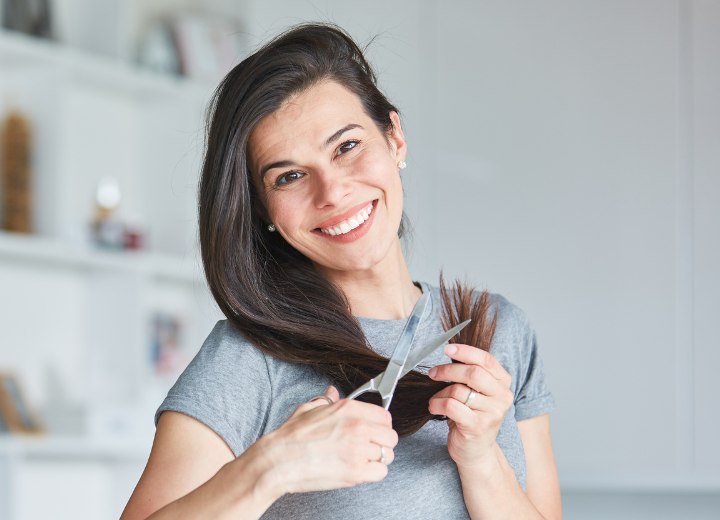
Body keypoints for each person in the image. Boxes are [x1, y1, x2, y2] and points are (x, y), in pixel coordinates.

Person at [121, 23, 561, 520]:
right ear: (263, 209)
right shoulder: (250, 359)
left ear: (395, 138)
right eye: (289, 176)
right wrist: (272, 467)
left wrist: (481, 457)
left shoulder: (502, 332)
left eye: (346, 147)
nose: (331, 192)